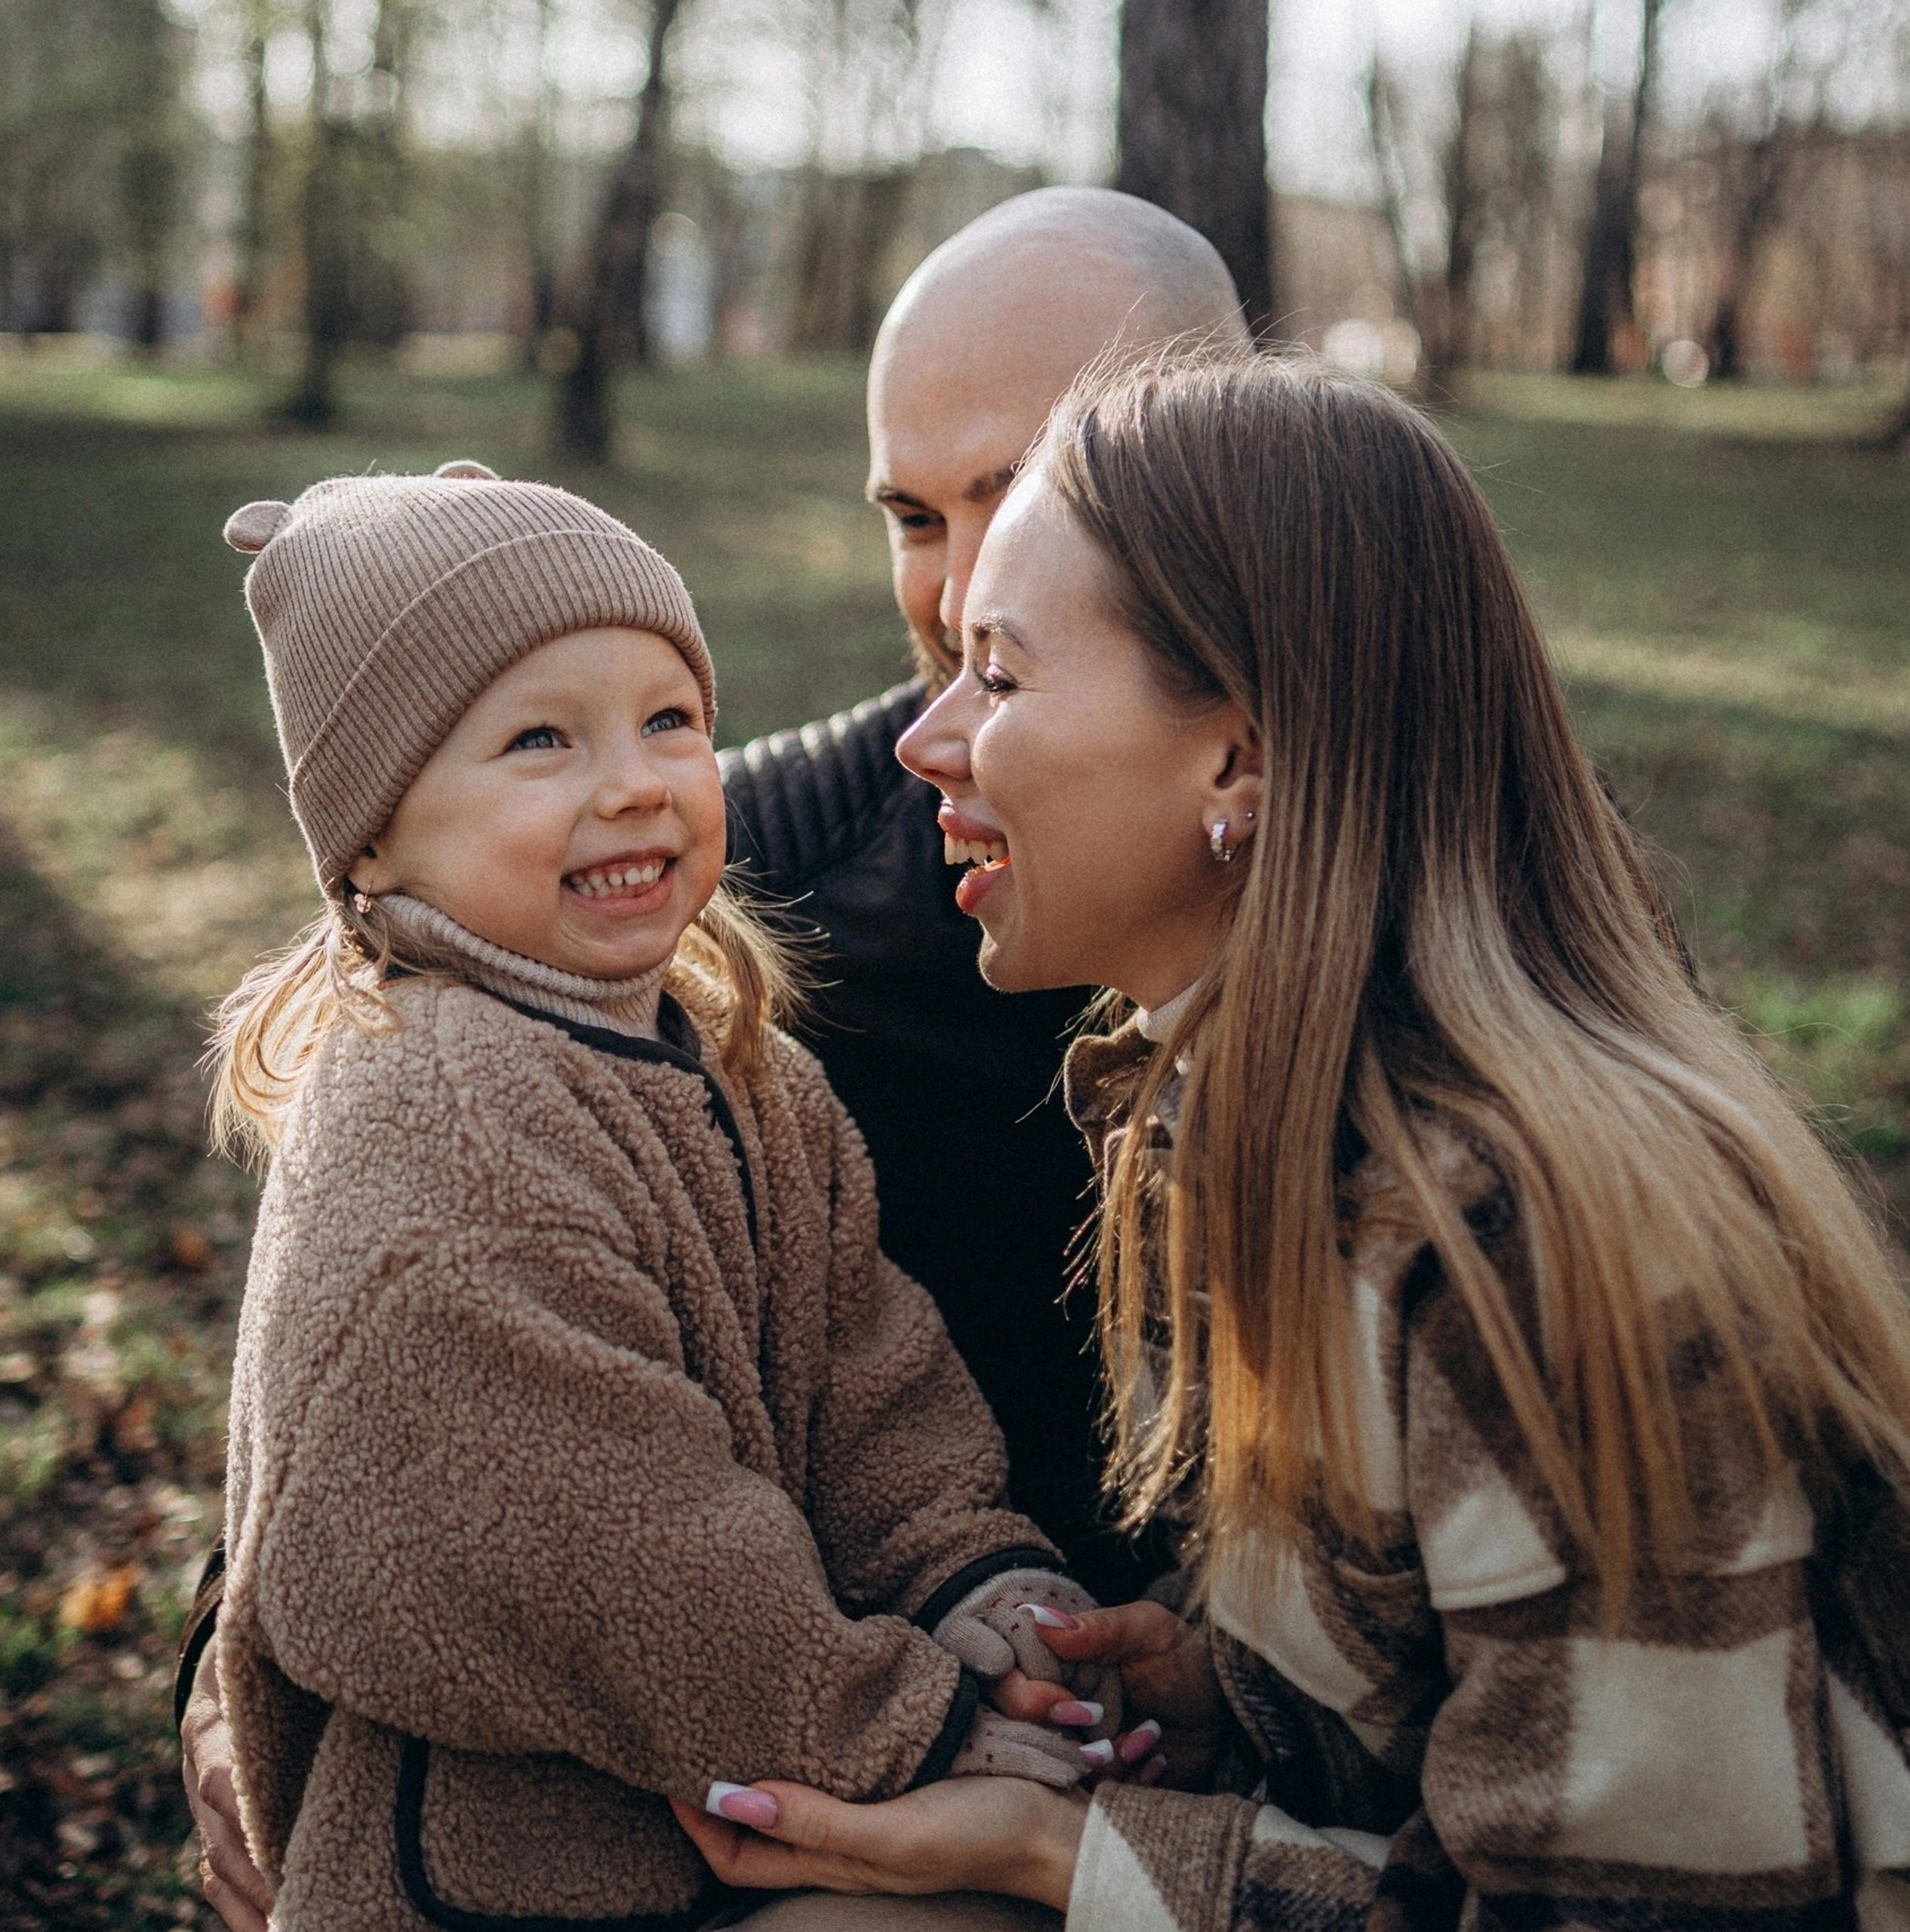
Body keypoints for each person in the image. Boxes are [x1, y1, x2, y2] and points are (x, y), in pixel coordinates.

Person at [673, 351, 1910, 1928]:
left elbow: (1647, 1905)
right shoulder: (1206, 1105)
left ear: (1239, 758)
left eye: (998, 677)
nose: (924, 742)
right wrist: (1237, 1693)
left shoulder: (1516, 1239)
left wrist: (1063, 1856)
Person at [181, 186, 1246, 1932]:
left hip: (1103, 1752)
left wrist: (983, 1587)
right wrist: (226, 1675)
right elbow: (424, 1404)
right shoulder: (733, 888)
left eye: (1038, 492)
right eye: (917, 512)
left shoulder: (1448, 944)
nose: (969, 582)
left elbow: (871, 1375)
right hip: (690, 1802)